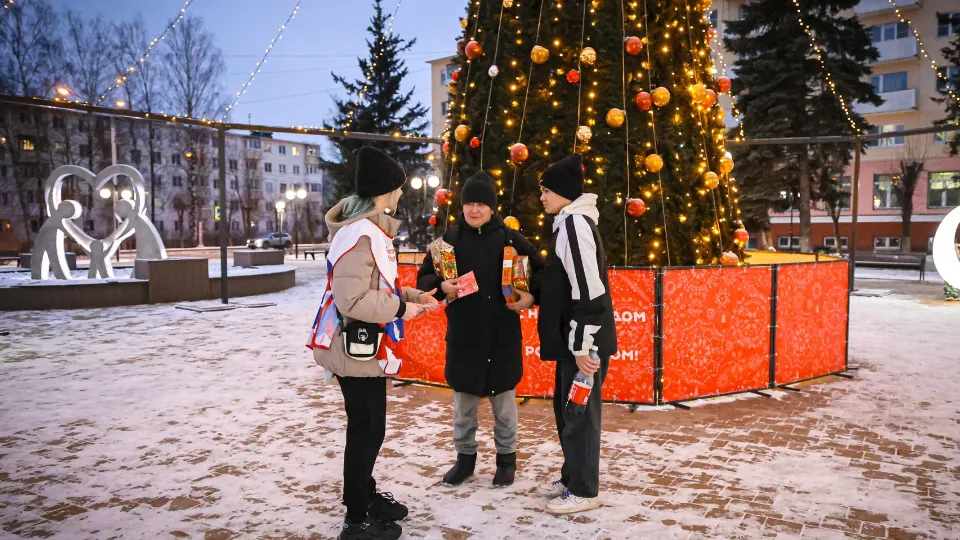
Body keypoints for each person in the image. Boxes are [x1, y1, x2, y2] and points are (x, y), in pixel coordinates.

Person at [311, 146, 438, 540]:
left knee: (369, 427)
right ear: (387, 190)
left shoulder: (371, 232)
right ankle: (356, 517)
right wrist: (402, 309)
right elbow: (352, 300)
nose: (401, 194)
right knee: (367, 429)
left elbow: (378, 285)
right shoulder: (361, 234)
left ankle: (364, 498)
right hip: (351, 345)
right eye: (398, 188)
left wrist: (415, 297)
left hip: (360, 344)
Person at [416, 171, 543, 488]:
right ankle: (465, 460)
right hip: (464, 339)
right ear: (462, 206)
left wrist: (530, 296)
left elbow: (541, 274)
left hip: (502, 339)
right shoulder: (448, 242)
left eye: (481, 204)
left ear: (492, 208)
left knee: (505, 408)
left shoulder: (512, 240)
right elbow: (424, 281)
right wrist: (441, 285)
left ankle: (506, 461)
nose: (474, 210)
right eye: (469, 203)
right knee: (463, 409)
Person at [533, 154, 617, 515]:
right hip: (575, 341)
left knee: (579, 416)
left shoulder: (573, 226)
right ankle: (572, 478)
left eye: (546, 190)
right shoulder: (567, 224)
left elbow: (589, 290)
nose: (542, 197)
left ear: (564, 192)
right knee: (568, 411)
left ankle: (584, 489)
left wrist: (583, 344)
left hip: (584, 342)